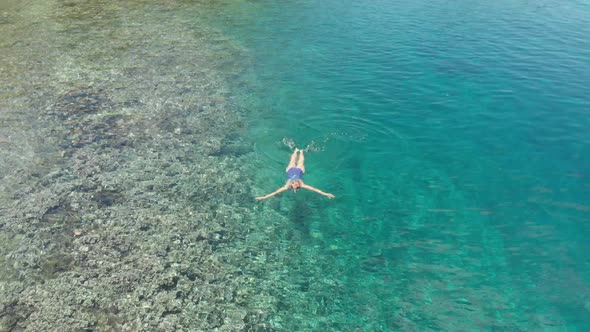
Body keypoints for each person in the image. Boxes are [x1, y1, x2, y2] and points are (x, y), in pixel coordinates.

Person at [256, 148, 335, 200]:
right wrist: (325, 194)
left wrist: (264, 197)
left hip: (290, 170)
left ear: (292, 185)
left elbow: (275, 192)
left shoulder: (286, 186)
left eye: (294, 183)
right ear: (297, 185)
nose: (295, 182)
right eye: (296, 183)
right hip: (300, 171)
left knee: (292, 161)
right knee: (301, 161)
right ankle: (300, 151)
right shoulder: (302, 185)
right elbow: (314, 189)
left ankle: (296, 151)